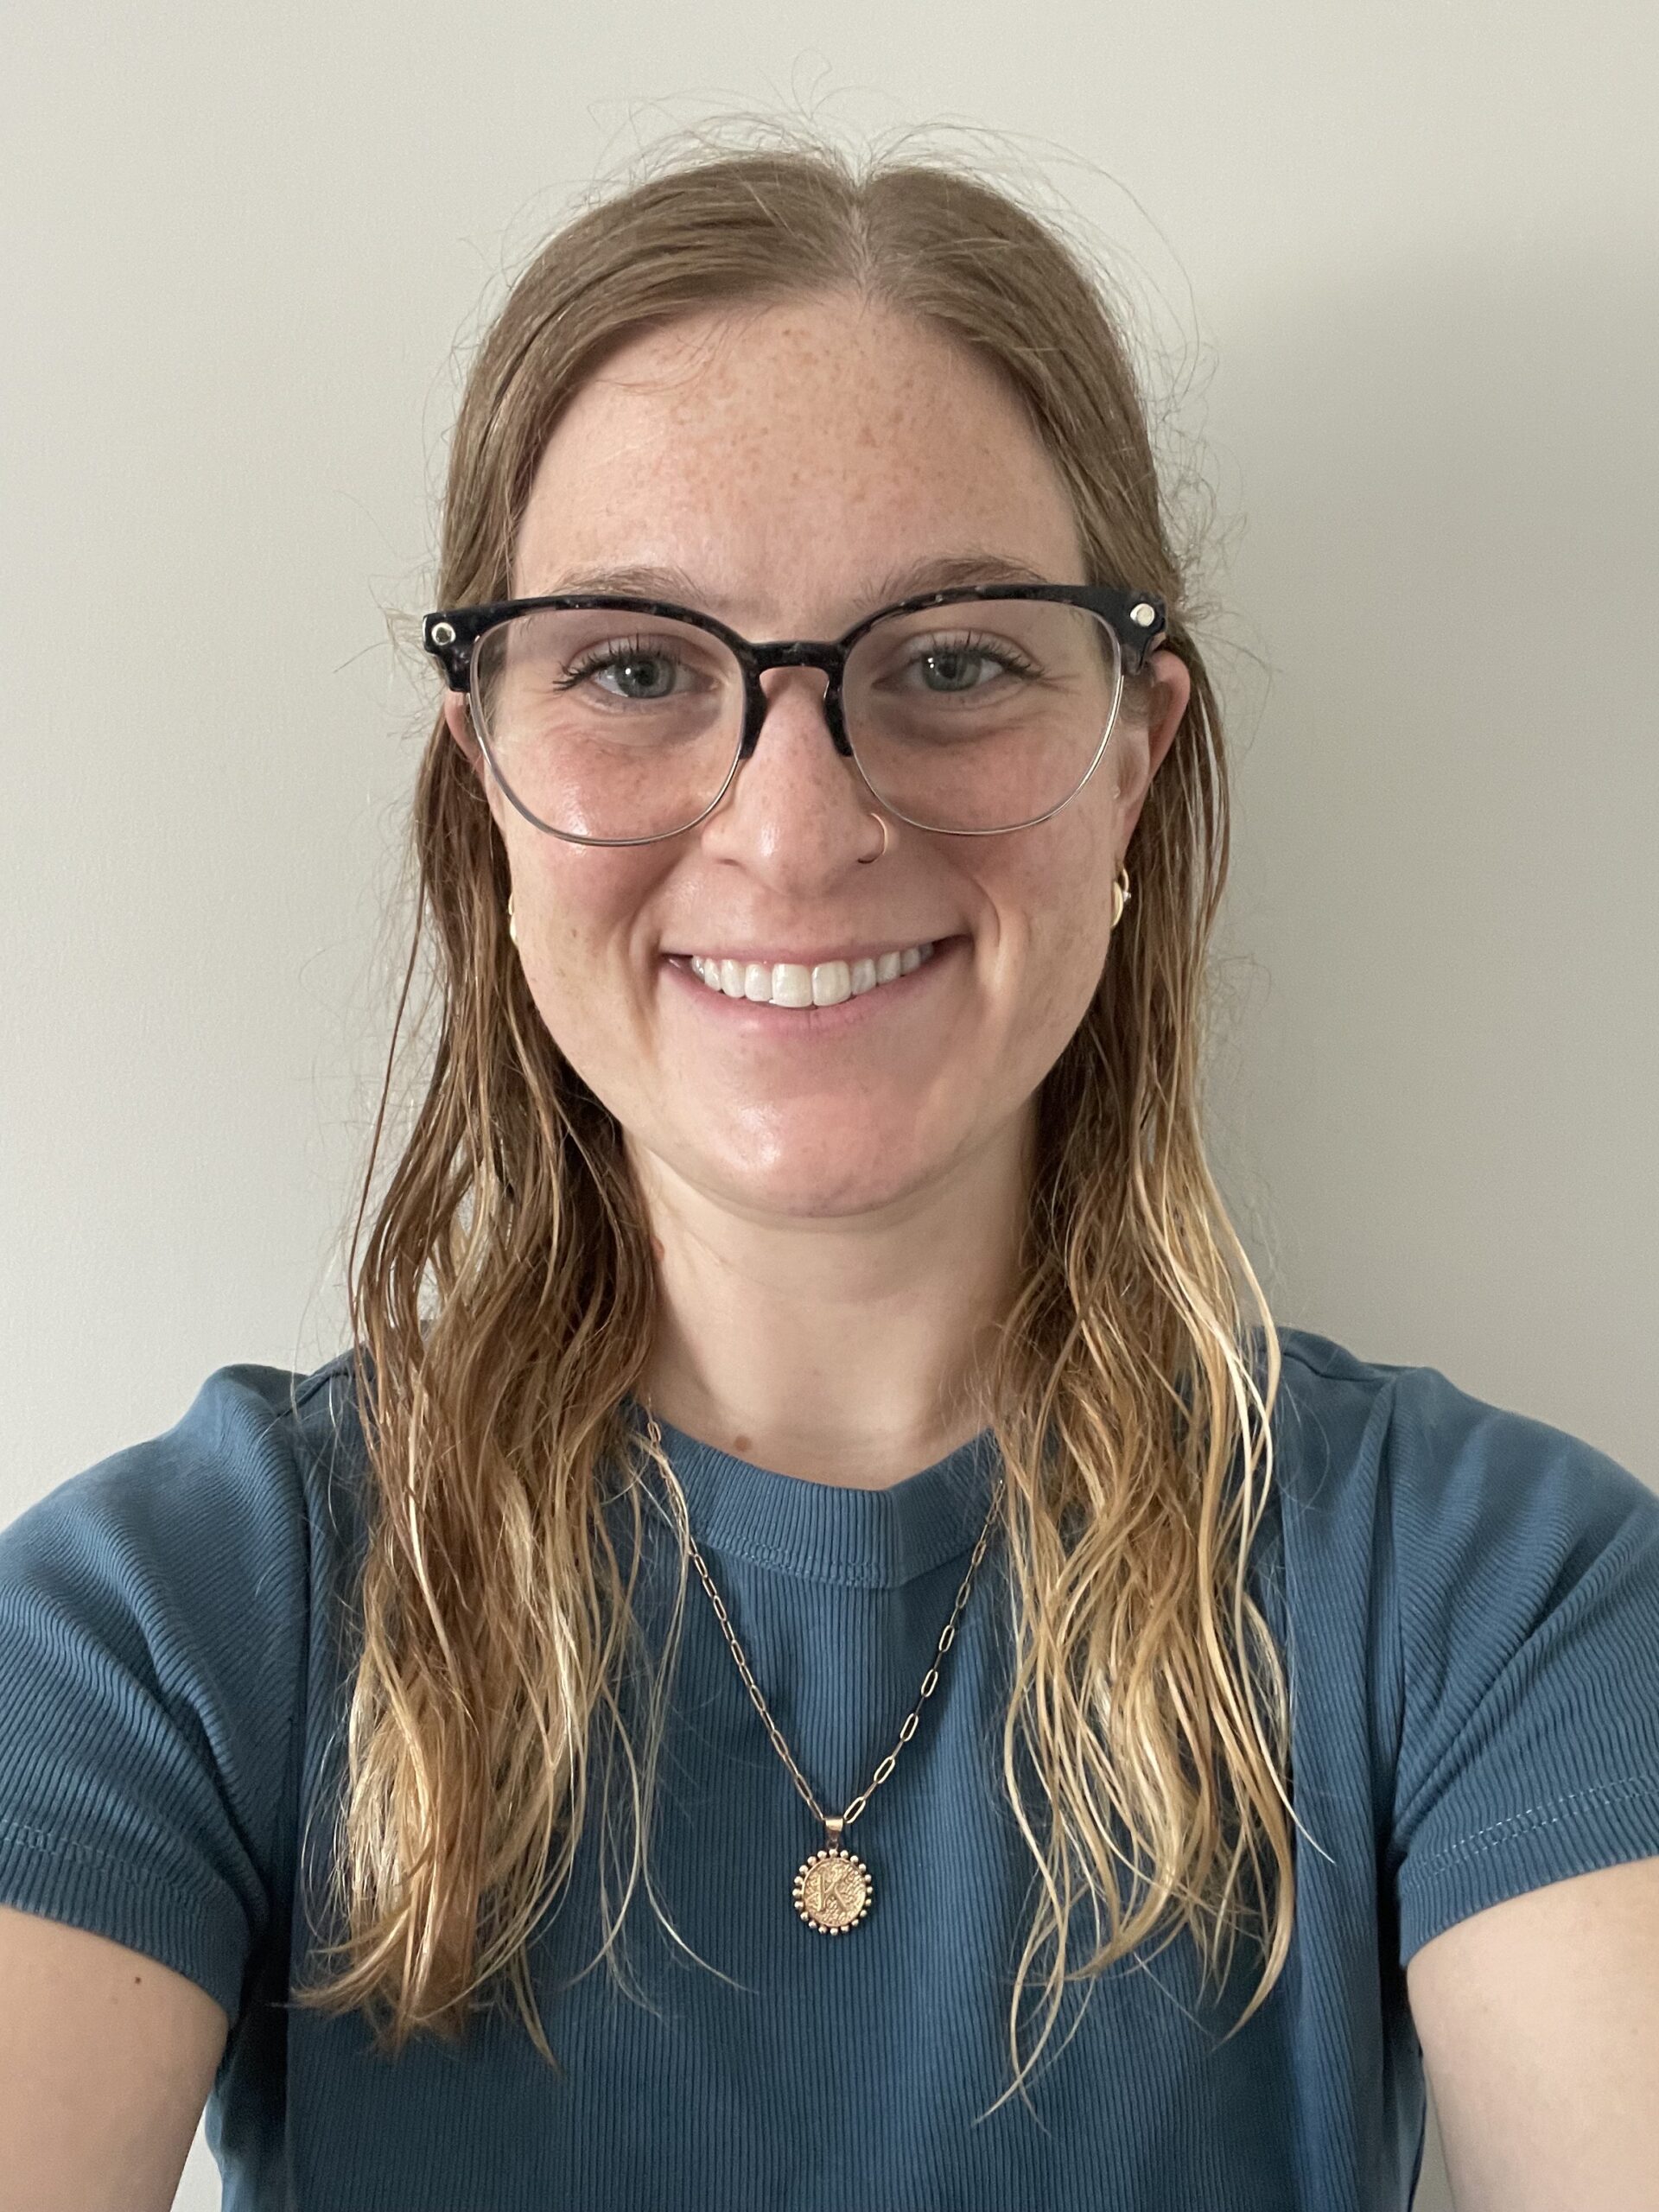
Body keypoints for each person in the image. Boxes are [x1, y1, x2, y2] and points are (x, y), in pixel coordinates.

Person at [2, 130, 1656, 2212]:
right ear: (486, 784)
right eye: (632, 668)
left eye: (956, 659)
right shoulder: (166, 1623)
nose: (794, 826)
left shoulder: (1497, 1605)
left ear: (1131, 757)